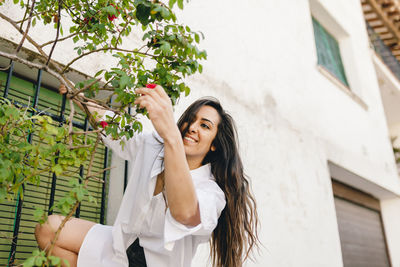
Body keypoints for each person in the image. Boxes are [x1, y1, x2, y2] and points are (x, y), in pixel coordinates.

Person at [35, 84, 259, 267]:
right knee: (49, 229)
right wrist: (80, 96)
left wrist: (171, 135)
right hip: (120, 248)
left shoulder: (212, 193)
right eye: (191, 119)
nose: (192, 127)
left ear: (214, 145)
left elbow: (185, 213)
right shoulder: (154, 145)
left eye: (205, 126)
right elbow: (113, 127)